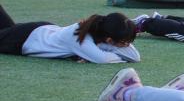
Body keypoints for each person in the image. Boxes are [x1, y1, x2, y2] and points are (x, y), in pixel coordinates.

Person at [0, 4, 139, 63]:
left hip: (37, 32)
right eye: (125, 42)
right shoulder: (79, 39)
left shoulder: (99, 33)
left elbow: (134, 56)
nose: (127, 45)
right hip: (24, 39)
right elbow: (102, 59)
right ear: (109, 40)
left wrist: (110, 46)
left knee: (6, 27)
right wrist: (116, 53)